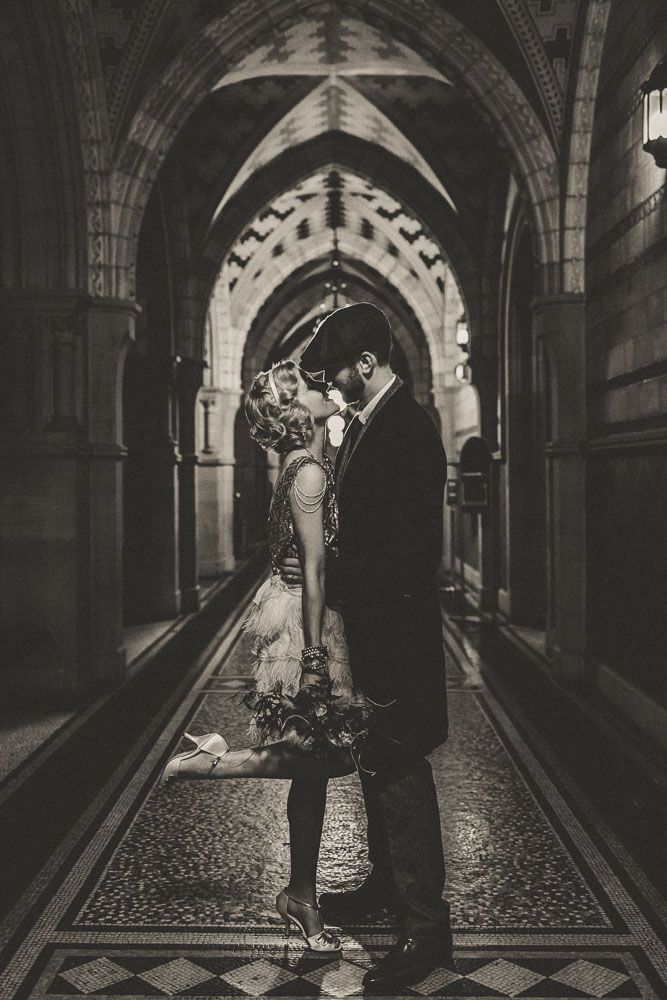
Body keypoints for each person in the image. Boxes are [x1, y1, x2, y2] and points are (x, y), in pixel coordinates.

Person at [159, 359, 367, 953]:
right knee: (324, 758)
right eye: (306, 387)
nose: (321, 387)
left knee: (314, 766)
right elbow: (317, 571)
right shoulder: (309, 475)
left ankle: (301, 893)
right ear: (296, 412)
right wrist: (315, 658)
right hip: (308, 624)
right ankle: (214, 762)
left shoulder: (302, 466)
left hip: (300, 612)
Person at [287, 301, 452, 992]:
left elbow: (402, 549)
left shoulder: (407, 428)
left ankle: (426, 928)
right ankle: (386, 885)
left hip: (397, 628)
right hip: (375, 627)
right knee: (378, 765)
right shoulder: (364, 425)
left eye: (339, 374)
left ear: (367, 362)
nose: (333, 387)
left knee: (401, 767)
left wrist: (332, 569)